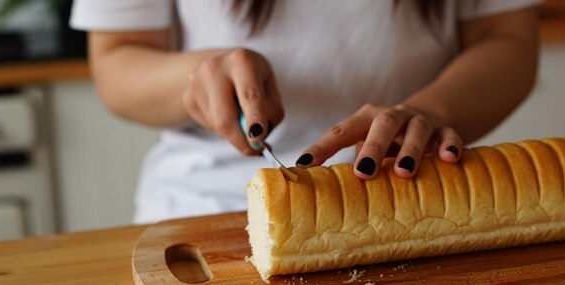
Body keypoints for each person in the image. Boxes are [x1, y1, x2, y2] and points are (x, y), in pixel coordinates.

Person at [71, 0, 540, 223]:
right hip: (204, 210)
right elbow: (116, 59)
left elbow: (509, 40)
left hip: (410, 205)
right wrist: (197, 76)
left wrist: (427, 110)